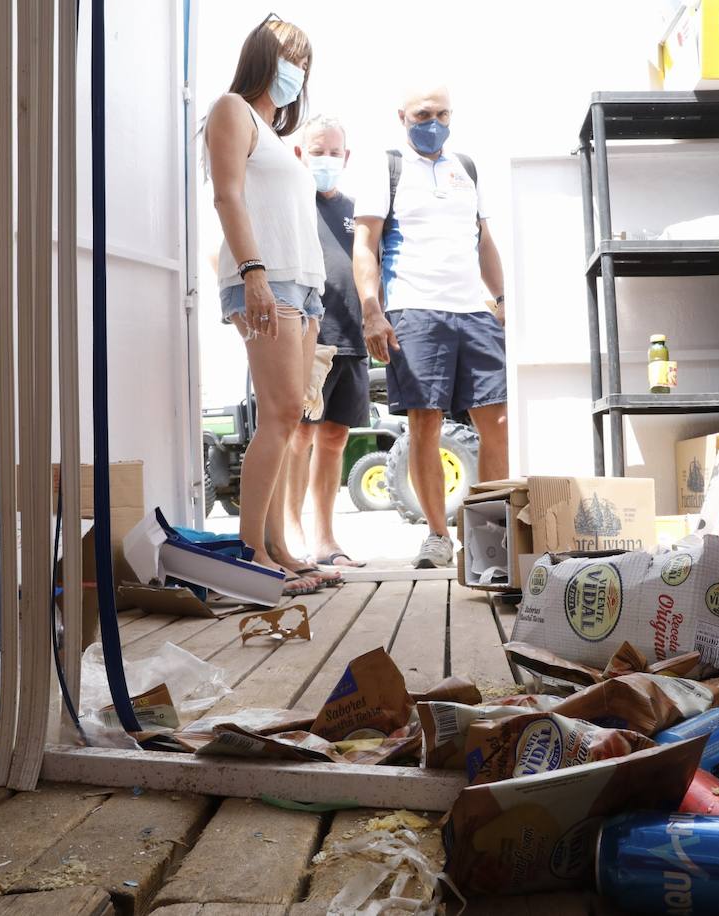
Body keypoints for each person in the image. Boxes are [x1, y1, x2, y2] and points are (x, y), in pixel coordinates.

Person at [205, 16, 339, 595]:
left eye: (305, 63)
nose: (298, 71)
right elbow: (226, 194)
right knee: (281, 412)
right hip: (266, 279)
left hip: (302, 288)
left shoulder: (278, 134)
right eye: (292, 58)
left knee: (292, 418)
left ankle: (280, 545)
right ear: (265, 57)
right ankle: (252, 549)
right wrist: (254, 272)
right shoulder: (232, 108)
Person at [352, 84, 509, 568]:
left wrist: (503, 299)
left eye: (442, 113)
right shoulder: (387, 165)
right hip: (414, 309)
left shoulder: (467, 167)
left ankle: (490, 538)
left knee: (498, 422)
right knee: (426, 422)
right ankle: (439, 537)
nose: (433, 122)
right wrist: (372, 310)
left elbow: (484, 242)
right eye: (423, 113)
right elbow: (365, 244)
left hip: (473, 312)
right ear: (402, 116)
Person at [280, 115, 368, 569]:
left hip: (351, 339)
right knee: (300, 434)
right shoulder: (286, 203)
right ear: (300, 153)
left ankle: (325, 539)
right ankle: (291, 532)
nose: (327, 159)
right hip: (306, 340)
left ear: (347, 157)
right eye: (318, 150)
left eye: (335, 151)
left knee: (334, 438)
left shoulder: (358, 212)